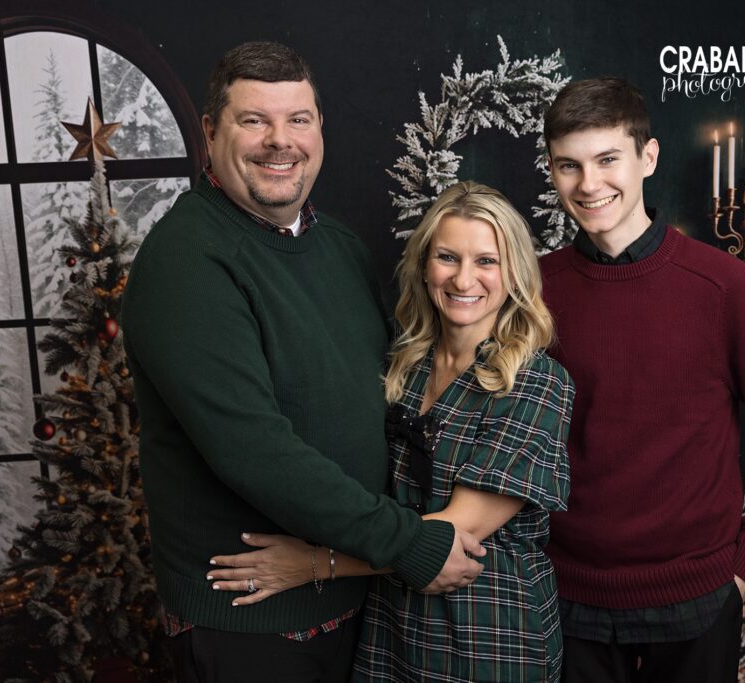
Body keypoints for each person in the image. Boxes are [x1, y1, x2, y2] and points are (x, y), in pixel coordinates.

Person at [121, 42, 484, 682]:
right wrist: (408, 544)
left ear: (319, 129)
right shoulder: (187, 261)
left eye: (298, 119)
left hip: (354, 596)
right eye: (253, 120)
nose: (279, 142)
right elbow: (251, 448)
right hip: (252, 616)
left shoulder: (338, 247)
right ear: (210, 133)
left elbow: (395, 396)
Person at [207, 181, 575, 682]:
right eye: (448, 257)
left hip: (488, 632)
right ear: (424, 267)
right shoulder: (406, 366)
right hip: (392, 625)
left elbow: (455, 535)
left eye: (486, 261)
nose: (464, 278)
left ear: (514, 274)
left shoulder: (534, 382)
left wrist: (314, 563)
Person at [539, 77, 745, 682]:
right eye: (569, 166)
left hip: (698, 593)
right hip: (566, 593)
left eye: (608, 159)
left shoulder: (724, 286)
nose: (589, 185)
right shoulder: (533, 290)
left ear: (648, 157)